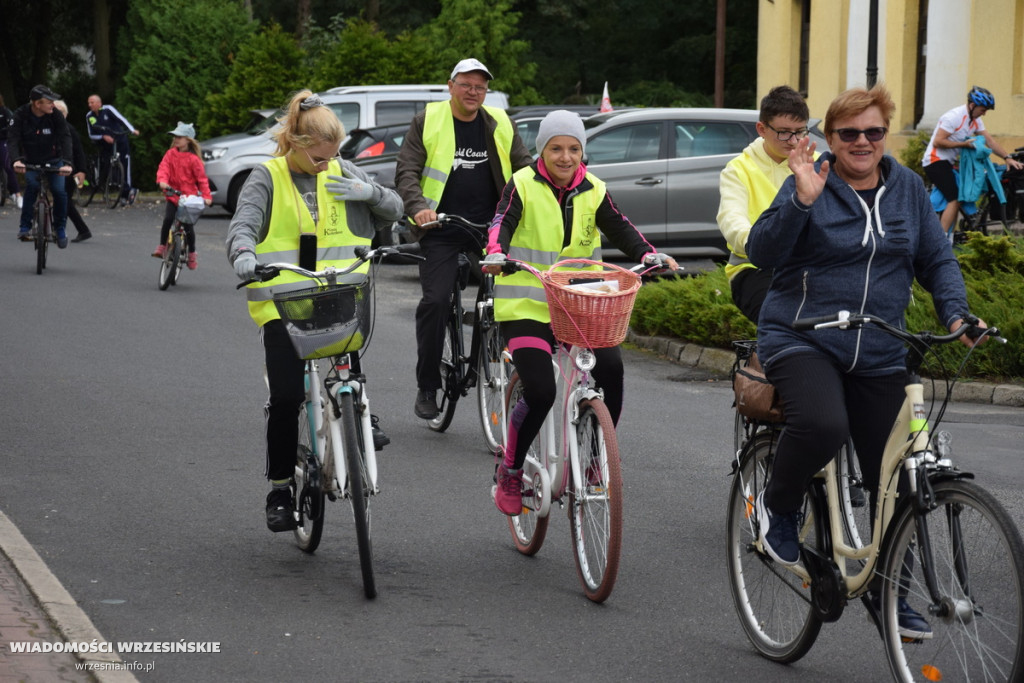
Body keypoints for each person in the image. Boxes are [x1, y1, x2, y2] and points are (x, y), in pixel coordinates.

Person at [746, 84, 985, 639]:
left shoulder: (907, 188)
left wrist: (957, 316)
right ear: (829, 139)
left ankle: (887, 592)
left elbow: (936, 259)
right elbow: (762, 251)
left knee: (901, 472)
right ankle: (777, 510)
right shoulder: (809, 182)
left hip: (877, 346)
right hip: (803, 336)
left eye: (874, 132)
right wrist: (801, 199)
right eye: (849, 133)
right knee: (825, 424)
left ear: (886, 136)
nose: (862, 142)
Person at [225, 90, 403, 532]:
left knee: (348, 370)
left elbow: (394, 209)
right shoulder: (267, 177)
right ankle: (281, 488)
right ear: (298, 146)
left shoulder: (341, 166)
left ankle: (358, 408)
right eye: (320, 158)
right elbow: (241, 227)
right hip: (283, 306)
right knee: (286, 398)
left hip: (338, 295)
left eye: (333, 156)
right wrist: (244, 254)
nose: (328, 165)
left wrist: (371, 192)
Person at [483, 110, 677, 515]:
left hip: (579, 306)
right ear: (542, 150)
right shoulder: (522, 183)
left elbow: (620, 226)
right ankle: (512, 469)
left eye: (574, 148)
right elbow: (501, 222)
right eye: (556, 148)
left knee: (612, 369)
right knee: (540, 391)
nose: (566, 156)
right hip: (527, 305)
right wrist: (496, 253)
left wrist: (647, 254)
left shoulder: (593, 188)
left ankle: (592, 458)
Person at [395, 57, 533, 421]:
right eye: (467, 85)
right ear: (451, 85)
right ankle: (428, 385)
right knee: (436, 301)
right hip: (440, 229)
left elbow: (525, 168)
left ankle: (504, 363)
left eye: (480, 87)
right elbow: (407, 169)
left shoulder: (500, 122)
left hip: (489, 229)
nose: (473, 92)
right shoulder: (429, 120)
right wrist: (418, 206)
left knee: (509, 295)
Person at [717, 86, 814, 323]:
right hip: (754, 268)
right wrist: (758, 243)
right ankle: (764, 357)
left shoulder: (818, 165)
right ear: (761, 129)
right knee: (780, 320)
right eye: (783, 132)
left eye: (800, 132)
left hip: (811, 267)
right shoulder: (738, 169)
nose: (793, 141)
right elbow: (731, 219)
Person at [921, 86, 1023, 237]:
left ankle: (949, 237)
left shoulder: (975, 120)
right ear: (972, 105)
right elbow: (937, 142)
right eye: (983, 109)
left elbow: (990, 142)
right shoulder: (954, 117)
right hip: (934, 162)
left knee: (960, 197)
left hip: (948, 162)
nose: (985, 113)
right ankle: (940, 241)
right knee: (954, 199)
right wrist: (963, 145)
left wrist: (1007, 158)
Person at [8, 85, 72, 248]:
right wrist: (16, 160)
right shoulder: (20, 115)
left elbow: (65, 137)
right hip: (30, 161)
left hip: (54, 159)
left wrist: (67, 163)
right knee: (33, 186)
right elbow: (13, 139)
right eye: (49, 102)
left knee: (59, 191)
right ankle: (25, 226)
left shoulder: (55, 115)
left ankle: (60, 228)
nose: (53, 104)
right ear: (37, 104)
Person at [155, 121, 212, 268]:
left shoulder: (194, 160)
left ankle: (192, 254)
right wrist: (162, 180)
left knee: (188, 228)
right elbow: (164, 168)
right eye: (175, 136)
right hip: (173, 195)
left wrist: (207, 196)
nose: (176, 139)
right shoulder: (170, 154)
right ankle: (162, 246)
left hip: (188, 199)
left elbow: (202, 179)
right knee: (168, 219)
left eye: (179, 137)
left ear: (188, 140)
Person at [85, 94, 140, 207]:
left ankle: (127, 192)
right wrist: (103, 137)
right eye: (89, 103)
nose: (90, 105)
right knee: (108, 166)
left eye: (92, 102)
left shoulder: (108, 109)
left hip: (120, 141)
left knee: (124, 165)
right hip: (105, 144)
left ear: (99, 103)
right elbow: (91, 134)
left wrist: (132, 130)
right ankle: (107, 187)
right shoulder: (89, 116)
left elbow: (121, 119)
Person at [52, 100, 92, 243]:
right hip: (56, 168)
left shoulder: (69, 130)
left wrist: (82, 170)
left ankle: (81, 229)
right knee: (62, 201)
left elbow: (79, 152)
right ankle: (60, 228)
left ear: (64, 114)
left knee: (64, 201)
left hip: (69, 170)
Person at [0, 94, 24, 208]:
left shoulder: (5, 112)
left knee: (8, 166)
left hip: (3, 140)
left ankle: (18, 194)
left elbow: (12, 127)